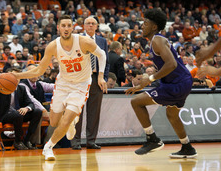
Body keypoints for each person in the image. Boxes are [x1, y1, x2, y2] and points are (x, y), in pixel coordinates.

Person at [12, 15, 107, 161]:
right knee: (54, 122)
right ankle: (70, 123)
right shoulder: (52, 46)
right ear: (58, 27)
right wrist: (18, 76)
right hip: (63, 84)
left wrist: (100, 76)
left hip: (81, 85)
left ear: (73, 27)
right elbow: (39, 70)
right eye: (63, 25)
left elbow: (102, 55)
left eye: (69, 25)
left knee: (67, 118)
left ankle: (48, 147)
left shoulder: (83, 41)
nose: (66, 28)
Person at [125, 9, 197, 158]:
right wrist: (143, 84)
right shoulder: (156, 41)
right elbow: (166, 68)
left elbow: (171, 64)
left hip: (177, 83)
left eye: (145, 23)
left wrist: (150, 79)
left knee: (136, 102)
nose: (142, 26)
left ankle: (152, 139)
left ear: (154, 27)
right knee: (172, 114)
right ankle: (187, 147)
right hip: (179, 82)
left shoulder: (158, 40)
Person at [0, 68, 43, 150]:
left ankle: (27, 140)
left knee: (38, 112)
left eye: (18, 77)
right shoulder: (2, 88)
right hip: (4, 116)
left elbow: (30, 103)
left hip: (18, 115)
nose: (16, 79)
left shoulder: (22, 89)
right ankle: (18, 142)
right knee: (18, 115)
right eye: (14, 76)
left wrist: (26, 108)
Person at [71, 16, 109, 150]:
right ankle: (75, 141)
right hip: (80, 79)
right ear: (84, 26)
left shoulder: (102, 41)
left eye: (93, 23)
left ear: (97, 26)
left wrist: (103, 76)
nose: (91, 25)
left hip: (96, 78)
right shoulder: (77, 39)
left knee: (94, 112)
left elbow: (106, 61)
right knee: (77, 111)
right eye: (88, 23)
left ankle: (91, 141)